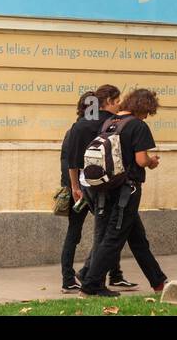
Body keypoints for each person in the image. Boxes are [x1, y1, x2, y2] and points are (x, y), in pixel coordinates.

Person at [79, 88, 168, 298]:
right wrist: (152, 162)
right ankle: (90, 285)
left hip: (108, 187)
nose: (148, 116)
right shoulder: (138, 126)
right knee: (114, 237)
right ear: (143, 107)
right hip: (127, 189)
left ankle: (158, 282)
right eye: (148, 111)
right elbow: (140, 160)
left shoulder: (109, 123)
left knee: (137, 239)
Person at [58, 85, 136, 294]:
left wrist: (71, 185)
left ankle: (77, 277)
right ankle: (91, 274)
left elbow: (68, 160)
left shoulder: (77, 128)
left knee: (90, 232)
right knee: (108, 230)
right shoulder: (105, 124)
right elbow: (72, 160)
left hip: (79, 185)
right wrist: (74, 186)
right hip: (95, 185)